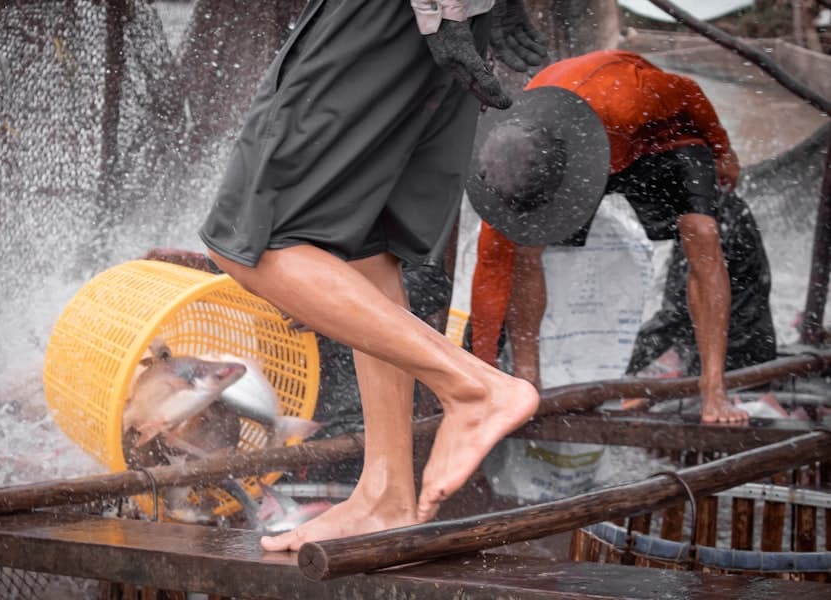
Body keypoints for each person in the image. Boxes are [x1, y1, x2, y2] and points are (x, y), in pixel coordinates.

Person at [197, 0, 548, 552]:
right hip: (439, 19)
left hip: (398, 14)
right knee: (363, 245)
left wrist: (448, 11)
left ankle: (476, 389)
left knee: (251, 244)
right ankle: (385, 498)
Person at [465, 49, 749, 424]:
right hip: (576, 146)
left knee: (703, 232)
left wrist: (722, 149)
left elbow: (688, 92)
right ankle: (527, 381)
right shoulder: (509, 172)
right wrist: (483, 381)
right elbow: (489, 282)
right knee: (524, 248)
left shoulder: (626, 101)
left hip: (658, 140)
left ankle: (713, 389)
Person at [625, 190, 777, 381]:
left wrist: (618, 362)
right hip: (750, 354)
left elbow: (676, 317)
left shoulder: (706, 223)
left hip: (729, 366)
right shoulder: (715, 206)